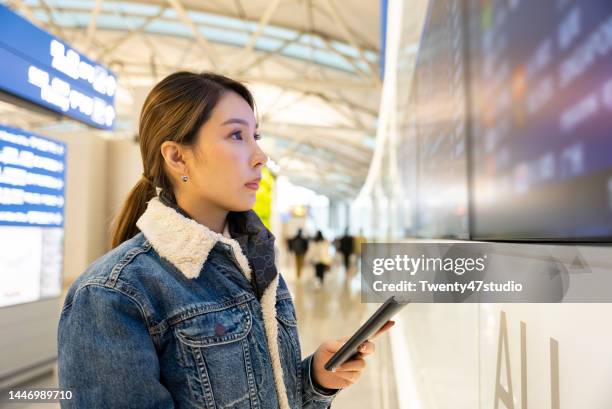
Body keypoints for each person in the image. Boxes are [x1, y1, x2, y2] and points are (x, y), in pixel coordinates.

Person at [57, 72, 392, 408]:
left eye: (254, 136)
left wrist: (316, 380)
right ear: (176, 157)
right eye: (236, 135)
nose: (260, 155)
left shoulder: (257, 265)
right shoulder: (111, 294)